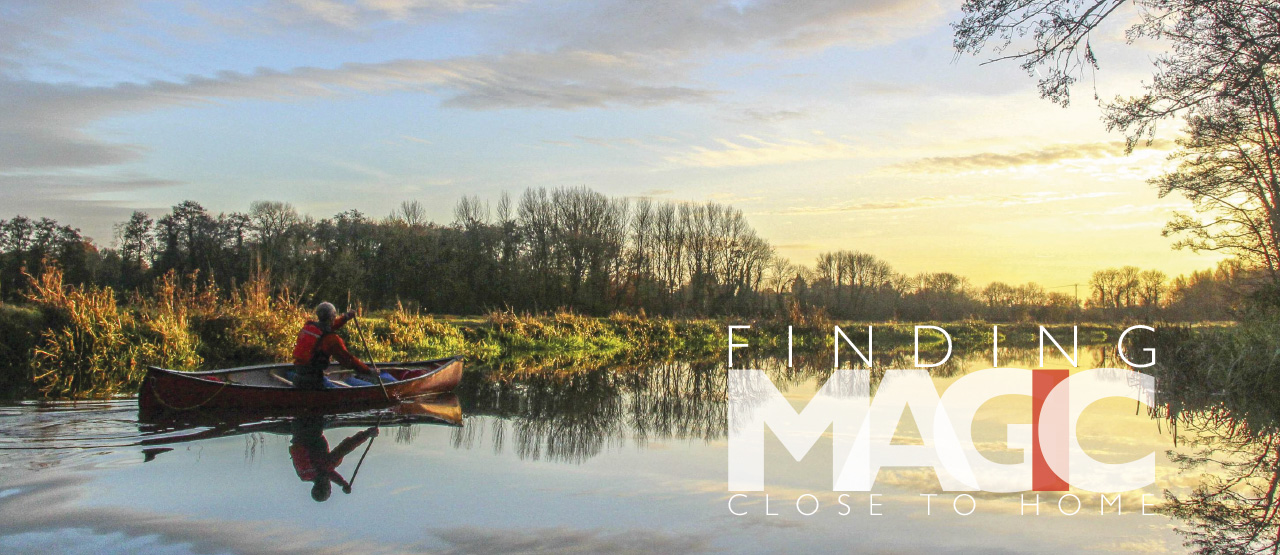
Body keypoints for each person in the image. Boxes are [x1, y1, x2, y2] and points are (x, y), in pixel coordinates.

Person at [290, 302, 397, 389]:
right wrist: (369, 371)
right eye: (334, 316)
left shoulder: (309, 327)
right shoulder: (331, 339)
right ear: (331, 318)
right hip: (315, 383)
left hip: (298, 377)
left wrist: (346, 317)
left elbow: (328, 327)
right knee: (343, 390)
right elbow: (348, 360)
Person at [289, 416, 378, 502]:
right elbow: (327, 474)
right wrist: (343, 484)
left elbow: (347, 446)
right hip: (297, 429)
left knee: (335, 419)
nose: (330, 485)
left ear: (326, 487)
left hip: (312, 426)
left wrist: (367, 434)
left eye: (329, 488)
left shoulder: (326, 466)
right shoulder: (304, 476)